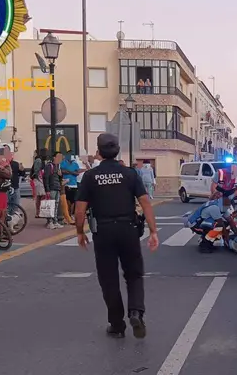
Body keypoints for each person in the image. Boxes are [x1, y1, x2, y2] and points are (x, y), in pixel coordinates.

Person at [75, 133, 159, 339]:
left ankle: (117, 324)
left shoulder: (90, 176)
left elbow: (79, 209)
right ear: (117, 150)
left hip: (103, 231)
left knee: (108, 279)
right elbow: (145, 203)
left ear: (99, 152)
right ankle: (136, 312)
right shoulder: (129, 174)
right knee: (134, 274)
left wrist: (79, 231)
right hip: (128, 229)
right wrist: (153, 231)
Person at [43, 152, 64, 229]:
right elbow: (46, 178)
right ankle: (50, 222)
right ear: (54, 157)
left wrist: (61, 175)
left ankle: (55, 221)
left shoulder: (58, 167)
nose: (60, 159)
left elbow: (59, 179)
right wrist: (47, 189)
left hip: (57, 188)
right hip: (51, 188)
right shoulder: (49, 166)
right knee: (50, 205)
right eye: (58, 157)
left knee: (56, 205)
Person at [31, 149, 47, 218]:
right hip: (39, 180)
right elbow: (36, 171)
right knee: (40, 196)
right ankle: (38, 212)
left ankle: (39, 212)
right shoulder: (39, 160)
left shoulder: (39, 160)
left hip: (39, 180)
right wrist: (39, 179)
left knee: (41, 196)